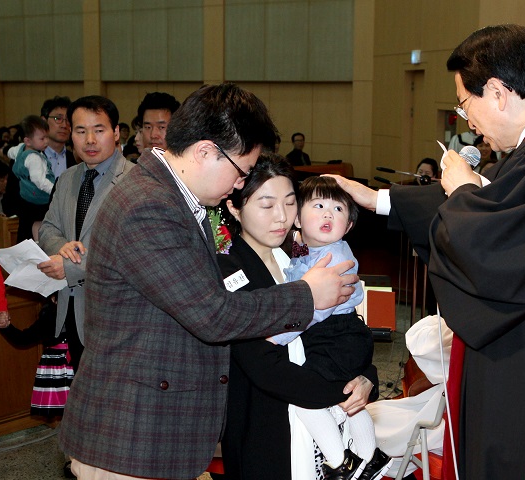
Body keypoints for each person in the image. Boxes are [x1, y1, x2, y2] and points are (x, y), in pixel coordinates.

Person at [330, 25, 525, 480]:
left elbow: (499, 255)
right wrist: (381, 200)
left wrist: (461, 193)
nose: (468, 121)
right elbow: (505, 215)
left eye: (464, 104)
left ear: (497, 92)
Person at [56, 82, 359, 480]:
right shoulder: (148, 205)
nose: (240, 183)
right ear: (204, 152)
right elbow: (212, 315)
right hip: (131, 436)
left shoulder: (172, 197)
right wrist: (308, 295)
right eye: (241, 171)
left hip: (155, 433)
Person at [215, 155, 378, 480]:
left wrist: (365, 378)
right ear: (234, 207)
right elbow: (263, 365)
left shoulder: (300, 253)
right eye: (266, 204)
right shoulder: (228, 270)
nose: (282, 216)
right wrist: (340, 390)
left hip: (320, 416)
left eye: (290, 203)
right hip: (266, 430)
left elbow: (344, 326)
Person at [269, 176, 389, 480]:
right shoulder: (306, 248)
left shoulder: (335, 257)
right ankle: (371, 458)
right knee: (348, 399)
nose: (328, 214)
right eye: (319, 206)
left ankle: (341, 463)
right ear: (298, 218)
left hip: (336, 335)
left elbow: (317, 309)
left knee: (305, 400)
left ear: (348, 226)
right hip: (341, 336)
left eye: (338, 209)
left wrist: (278, 337)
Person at [36, 95, 136, 375]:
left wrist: (69, 265)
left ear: (116, 133)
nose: (90, 140)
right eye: (81, 131)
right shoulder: (67, 178)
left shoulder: (134, 181)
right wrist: (64, 247)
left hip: (117, 316)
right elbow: (48, 228)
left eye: (99, 130)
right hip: (71, 309)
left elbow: (129, 251)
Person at [9, 114, 54, 241]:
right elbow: (39, 181)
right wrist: (55, 190)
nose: (46, 141)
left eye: (47, 137)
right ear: (28, 141)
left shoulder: (20, 149)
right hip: (39, 198)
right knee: (39, 222)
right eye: (42, 138)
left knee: (28, 225)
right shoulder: (34, 158)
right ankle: (38, 243)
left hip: (25, 197)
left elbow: (10, 152)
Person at [40, 96, 76, 179]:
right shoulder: (26, 157)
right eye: (58, 118)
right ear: (43, 121)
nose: (64, 125)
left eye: (68, 120)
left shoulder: (77, 160)